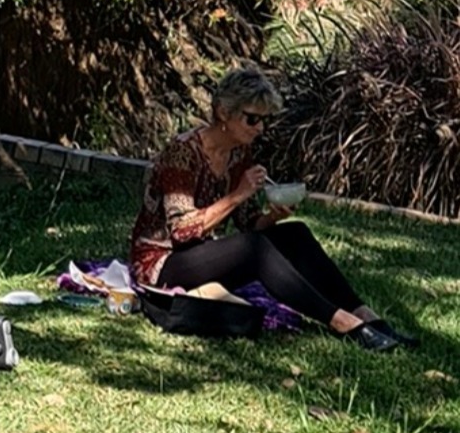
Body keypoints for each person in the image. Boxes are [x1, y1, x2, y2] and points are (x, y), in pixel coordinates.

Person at [129, 65, 414, 351]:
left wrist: (271, 217)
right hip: (163, 263)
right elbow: (181, 231)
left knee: (295, 234)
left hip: (203, 254)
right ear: (224, 113)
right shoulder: (183, 152)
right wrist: (238, 193)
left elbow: (246, 222)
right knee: (255, 249)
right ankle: (341, 322)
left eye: (264, 120)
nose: (259, 128)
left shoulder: (239, 152)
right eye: (252, 119)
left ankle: (364, 315)